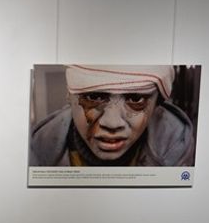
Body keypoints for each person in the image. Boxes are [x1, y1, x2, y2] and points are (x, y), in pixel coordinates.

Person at [29, 64, 195, 167]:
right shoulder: (39, 150)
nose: (112, 123)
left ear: (156, 104)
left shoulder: (174, 147)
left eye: (136, 98)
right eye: (94, 97)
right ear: (68, 95)